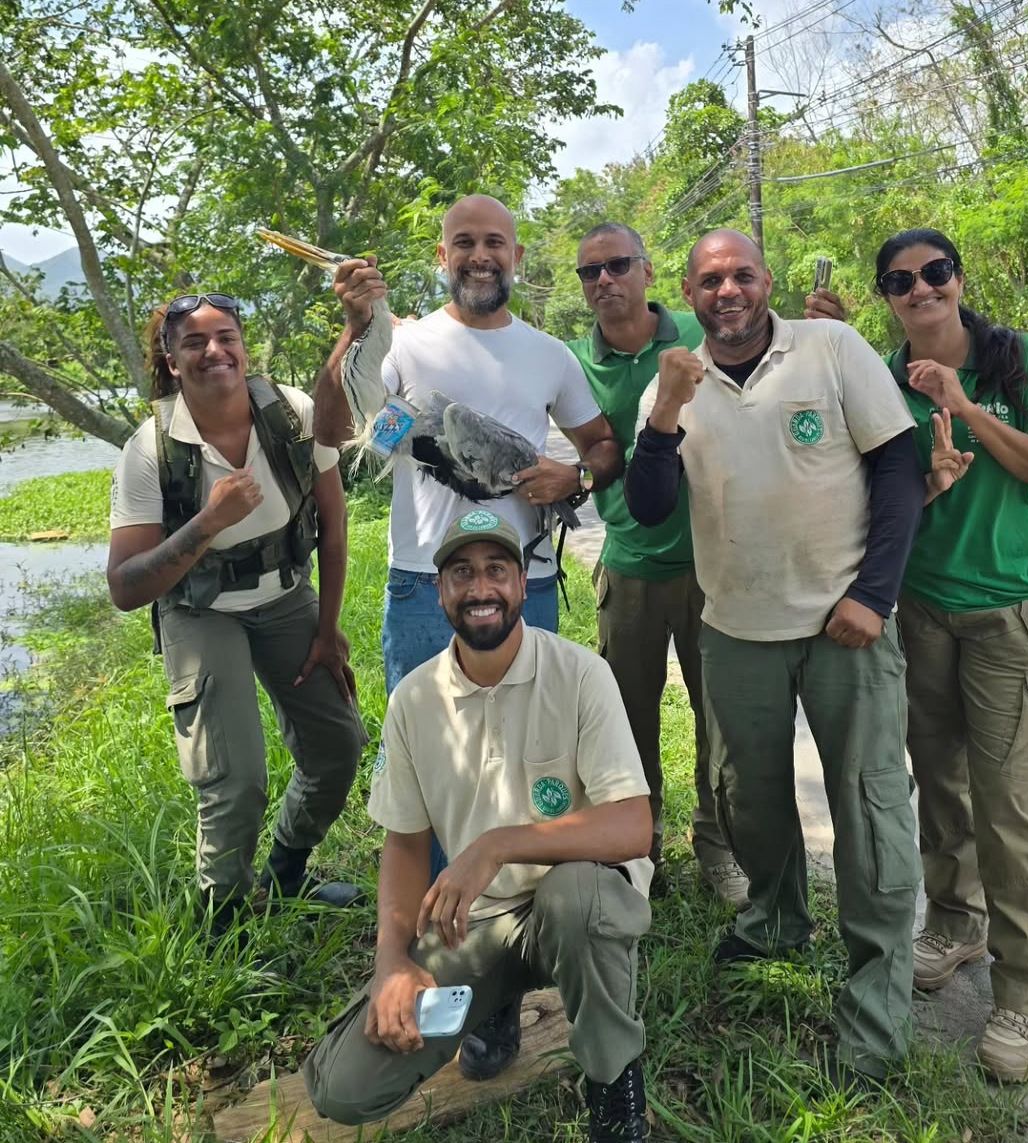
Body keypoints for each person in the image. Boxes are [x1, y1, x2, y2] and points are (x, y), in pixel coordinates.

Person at [313, 194, 623, 1079]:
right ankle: (446, 977)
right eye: (464, 243)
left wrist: (574, 467)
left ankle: (517, 971)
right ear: (441, 254)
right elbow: (337, 429)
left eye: (495, 243)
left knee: (533, 775)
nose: (480, 255)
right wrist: (354, 327)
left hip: (526, 579)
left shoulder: (549, 354)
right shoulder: (400, 342)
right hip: (424, 586)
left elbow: (602, 447)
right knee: (438, 788)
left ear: (517, 256)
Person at [625, 229, 927, 1084]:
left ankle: (875, 1004)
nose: (728, 291)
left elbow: (899, 468)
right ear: (686, 291)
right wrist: (664, 411)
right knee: (747, 797)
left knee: (869, 811)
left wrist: (873, 594)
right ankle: (776, 919)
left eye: (742, 275)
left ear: (767, 283)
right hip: (737, 632)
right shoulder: (674, 381)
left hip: (845, 628)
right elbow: (648, 508)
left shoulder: (830, 348)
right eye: (710, 279)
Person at [303, 509, 654, 1142]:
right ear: (439, 591)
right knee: (343, 1088)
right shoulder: (414, 700)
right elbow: (406, 843)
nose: (480, 588)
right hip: (478, 922)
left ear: (523, 585)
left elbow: (632, 826)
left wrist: (498, 844)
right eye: (462, 573)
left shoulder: (580, 674)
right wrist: (391, 963)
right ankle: (493, 1002)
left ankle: (615, 1088)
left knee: (577, 897)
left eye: (497, 570)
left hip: (574, 901)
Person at [869, 228, 1028, 1082]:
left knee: (1006, 803)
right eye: (899, 280)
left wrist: (969, 406)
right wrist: (930, 482)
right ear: (886, 296)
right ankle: (955, 925)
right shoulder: (884, 384)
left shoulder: (1019, 360)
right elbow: (888, 509)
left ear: (958, 280)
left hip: (1010, 612)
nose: (920, 289)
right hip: (924, 611)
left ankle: (1026, 990)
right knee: (941, 782)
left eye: (934, 273)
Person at [106, 294, 368, 933]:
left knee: (339, 745)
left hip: (286, 598)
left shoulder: (290, 414)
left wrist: (328, 629)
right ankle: (224, 924)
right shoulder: (152, 449)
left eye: (226, 337)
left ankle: (284, 875)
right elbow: (125, 586)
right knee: (235, 778)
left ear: (244, 347)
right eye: (194, 343)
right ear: (171, 362)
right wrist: (209, 521)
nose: (214, 351)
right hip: (201, 611)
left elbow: (333, 530)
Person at [565, 221, 746, 907]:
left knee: (719, 719)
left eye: (617, 265)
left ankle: (718, 845)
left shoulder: (700, 340)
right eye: (591, 272)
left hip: (713, 566)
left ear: (646, 272)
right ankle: (637, 848)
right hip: (629, 566)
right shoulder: (572, 365)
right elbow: (581, 452)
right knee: (625, 723)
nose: (605, 280)